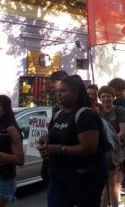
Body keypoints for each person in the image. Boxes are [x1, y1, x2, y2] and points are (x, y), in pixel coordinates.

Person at [38, 74, 108, 207]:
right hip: (58, 175)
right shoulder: (58, 114)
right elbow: (57, 135)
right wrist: (46, 140)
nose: (59, 94)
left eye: (63, 91)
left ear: (76, 93)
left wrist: (59, 149)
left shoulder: (86, 115)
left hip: (83, 177)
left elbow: (88, 147)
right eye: (58, 91)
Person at [98, 85, 125, 207]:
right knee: (108, 183)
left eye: (108, 96)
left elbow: (123, 132)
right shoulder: (99, 112)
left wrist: (110, 143)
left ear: (113, 97)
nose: (106, 99)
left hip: (115, 151)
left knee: (112, 183)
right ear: (100, 98)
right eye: (103, 96)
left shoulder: (120, 110)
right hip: (103, 151)